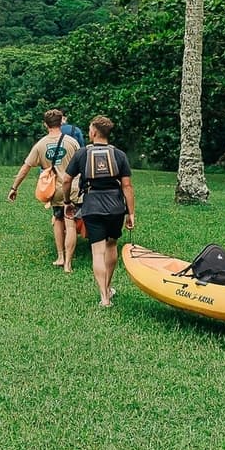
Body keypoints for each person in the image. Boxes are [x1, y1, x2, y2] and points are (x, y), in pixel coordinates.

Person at [62, 115, 135, 307]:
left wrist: (67, 201)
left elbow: (67, 180)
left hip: (92, 206)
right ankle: (108, 287)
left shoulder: (82, 154)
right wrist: (131, 213)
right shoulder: (119, 155)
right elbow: (127, 186)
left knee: (98, 251)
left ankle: (104, 297)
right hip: (116, 207)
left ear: (94, 132)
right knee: (111, 246)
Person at [8, 109, 85, 270]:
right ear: (61, 122)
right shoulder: (72, 142)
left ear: (45, 124)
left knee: (58, 220)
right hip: (72, 188)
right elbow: (83, 164)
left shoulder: (40, 144)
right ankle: (68, 263)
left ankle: (60, 257)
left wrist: (14, 187)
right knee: (70, 223)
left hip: (55, 190)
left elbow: (26, 167)